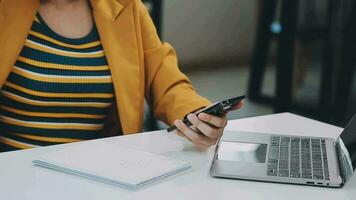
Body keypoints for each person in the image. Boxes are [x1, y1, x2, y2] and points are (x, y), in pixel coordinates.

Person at [0, 0, 243, 152]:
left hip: (96, 173)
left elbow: (167, 82)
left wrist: (198, 114)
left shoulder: (126, 7)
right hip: (14, 172)